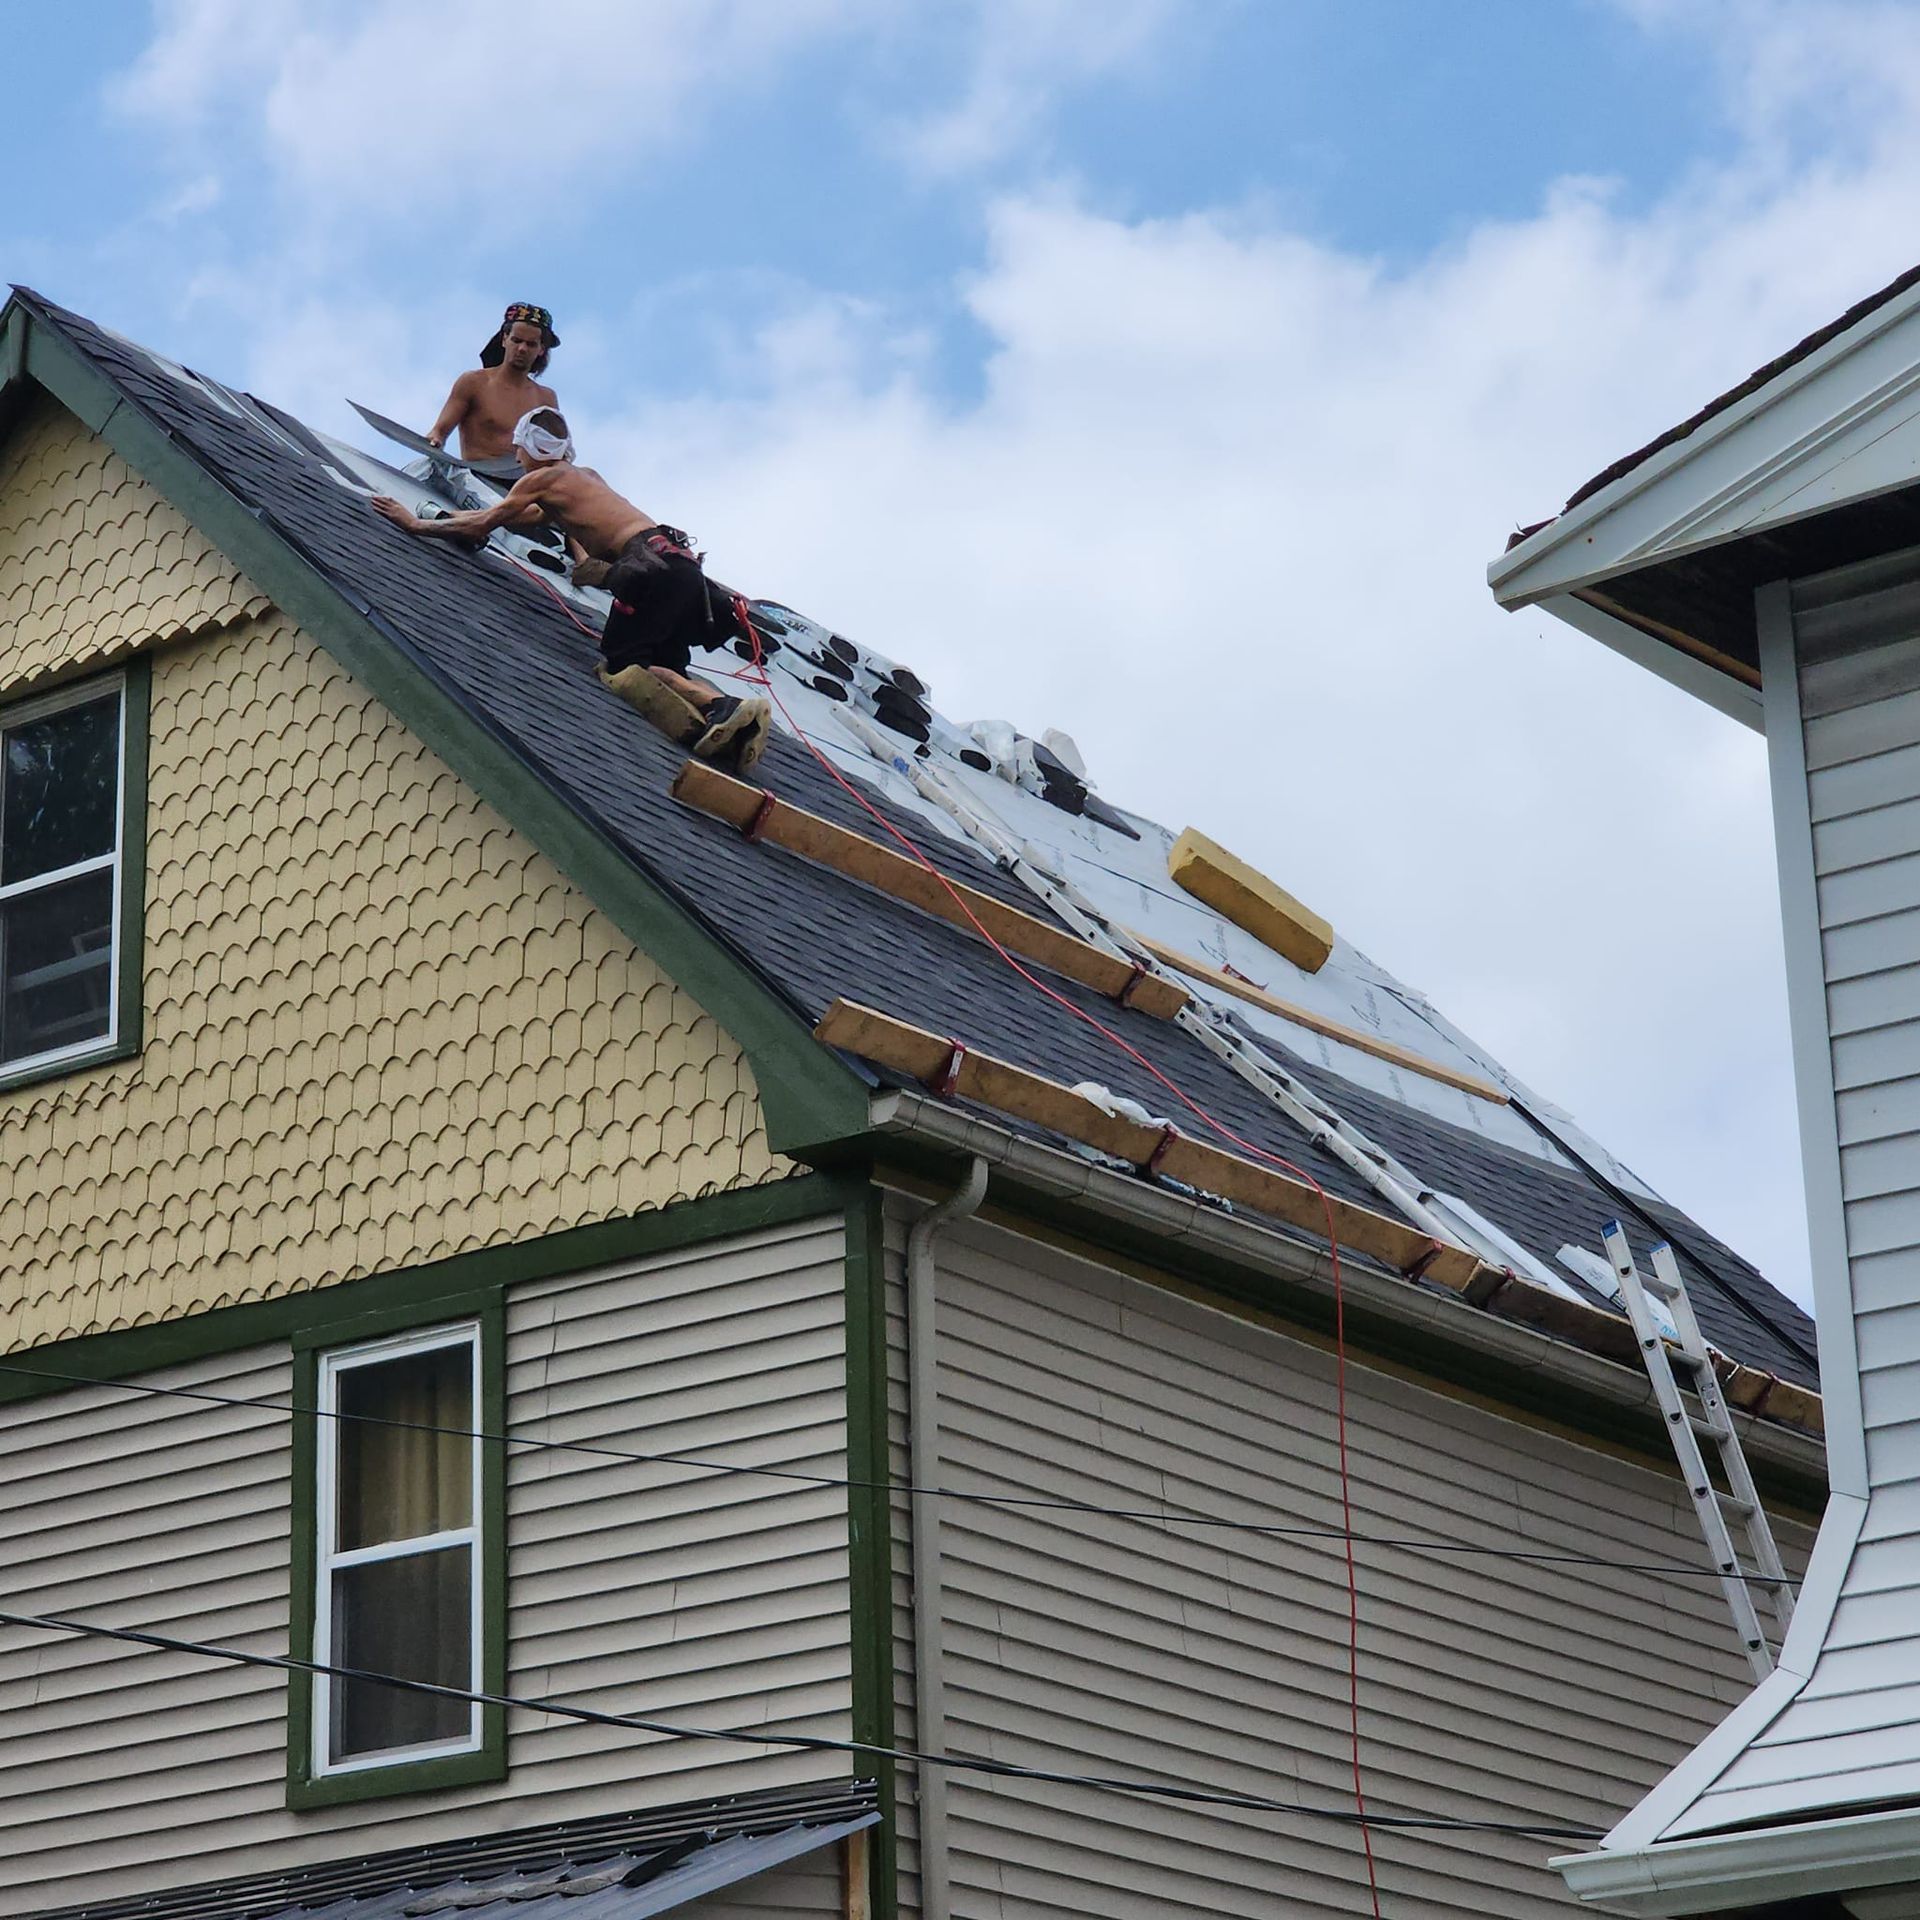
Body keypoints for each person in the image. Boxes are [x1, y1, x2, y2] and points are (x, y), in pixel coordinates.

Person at [370, 407, 770, 768]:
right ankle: (733, 729)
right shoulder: (584, 479)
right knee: (666, 666)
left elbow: (485, 523)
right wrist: (458, 516)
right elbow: (519, 519)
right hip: (678, 567)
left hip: (651, 572)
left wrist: (416, 524)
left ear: (529, 447)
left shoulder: (541, 479)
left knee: (623, 663)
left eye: (519, 451)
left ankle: (721, 704)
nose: (517, 460)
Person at [424, 303, 562, 483]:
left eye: (530, 344)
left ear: (541, 349)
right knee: (423, 467)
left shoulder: (546, 398)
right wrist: (434, 441)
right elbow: (439, 432)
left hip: (524, 489)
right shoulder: (473, 382)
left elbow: (555, 455)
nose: (522, 348)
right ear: (505, 339)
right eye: (517, 340)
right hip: (477, 480)